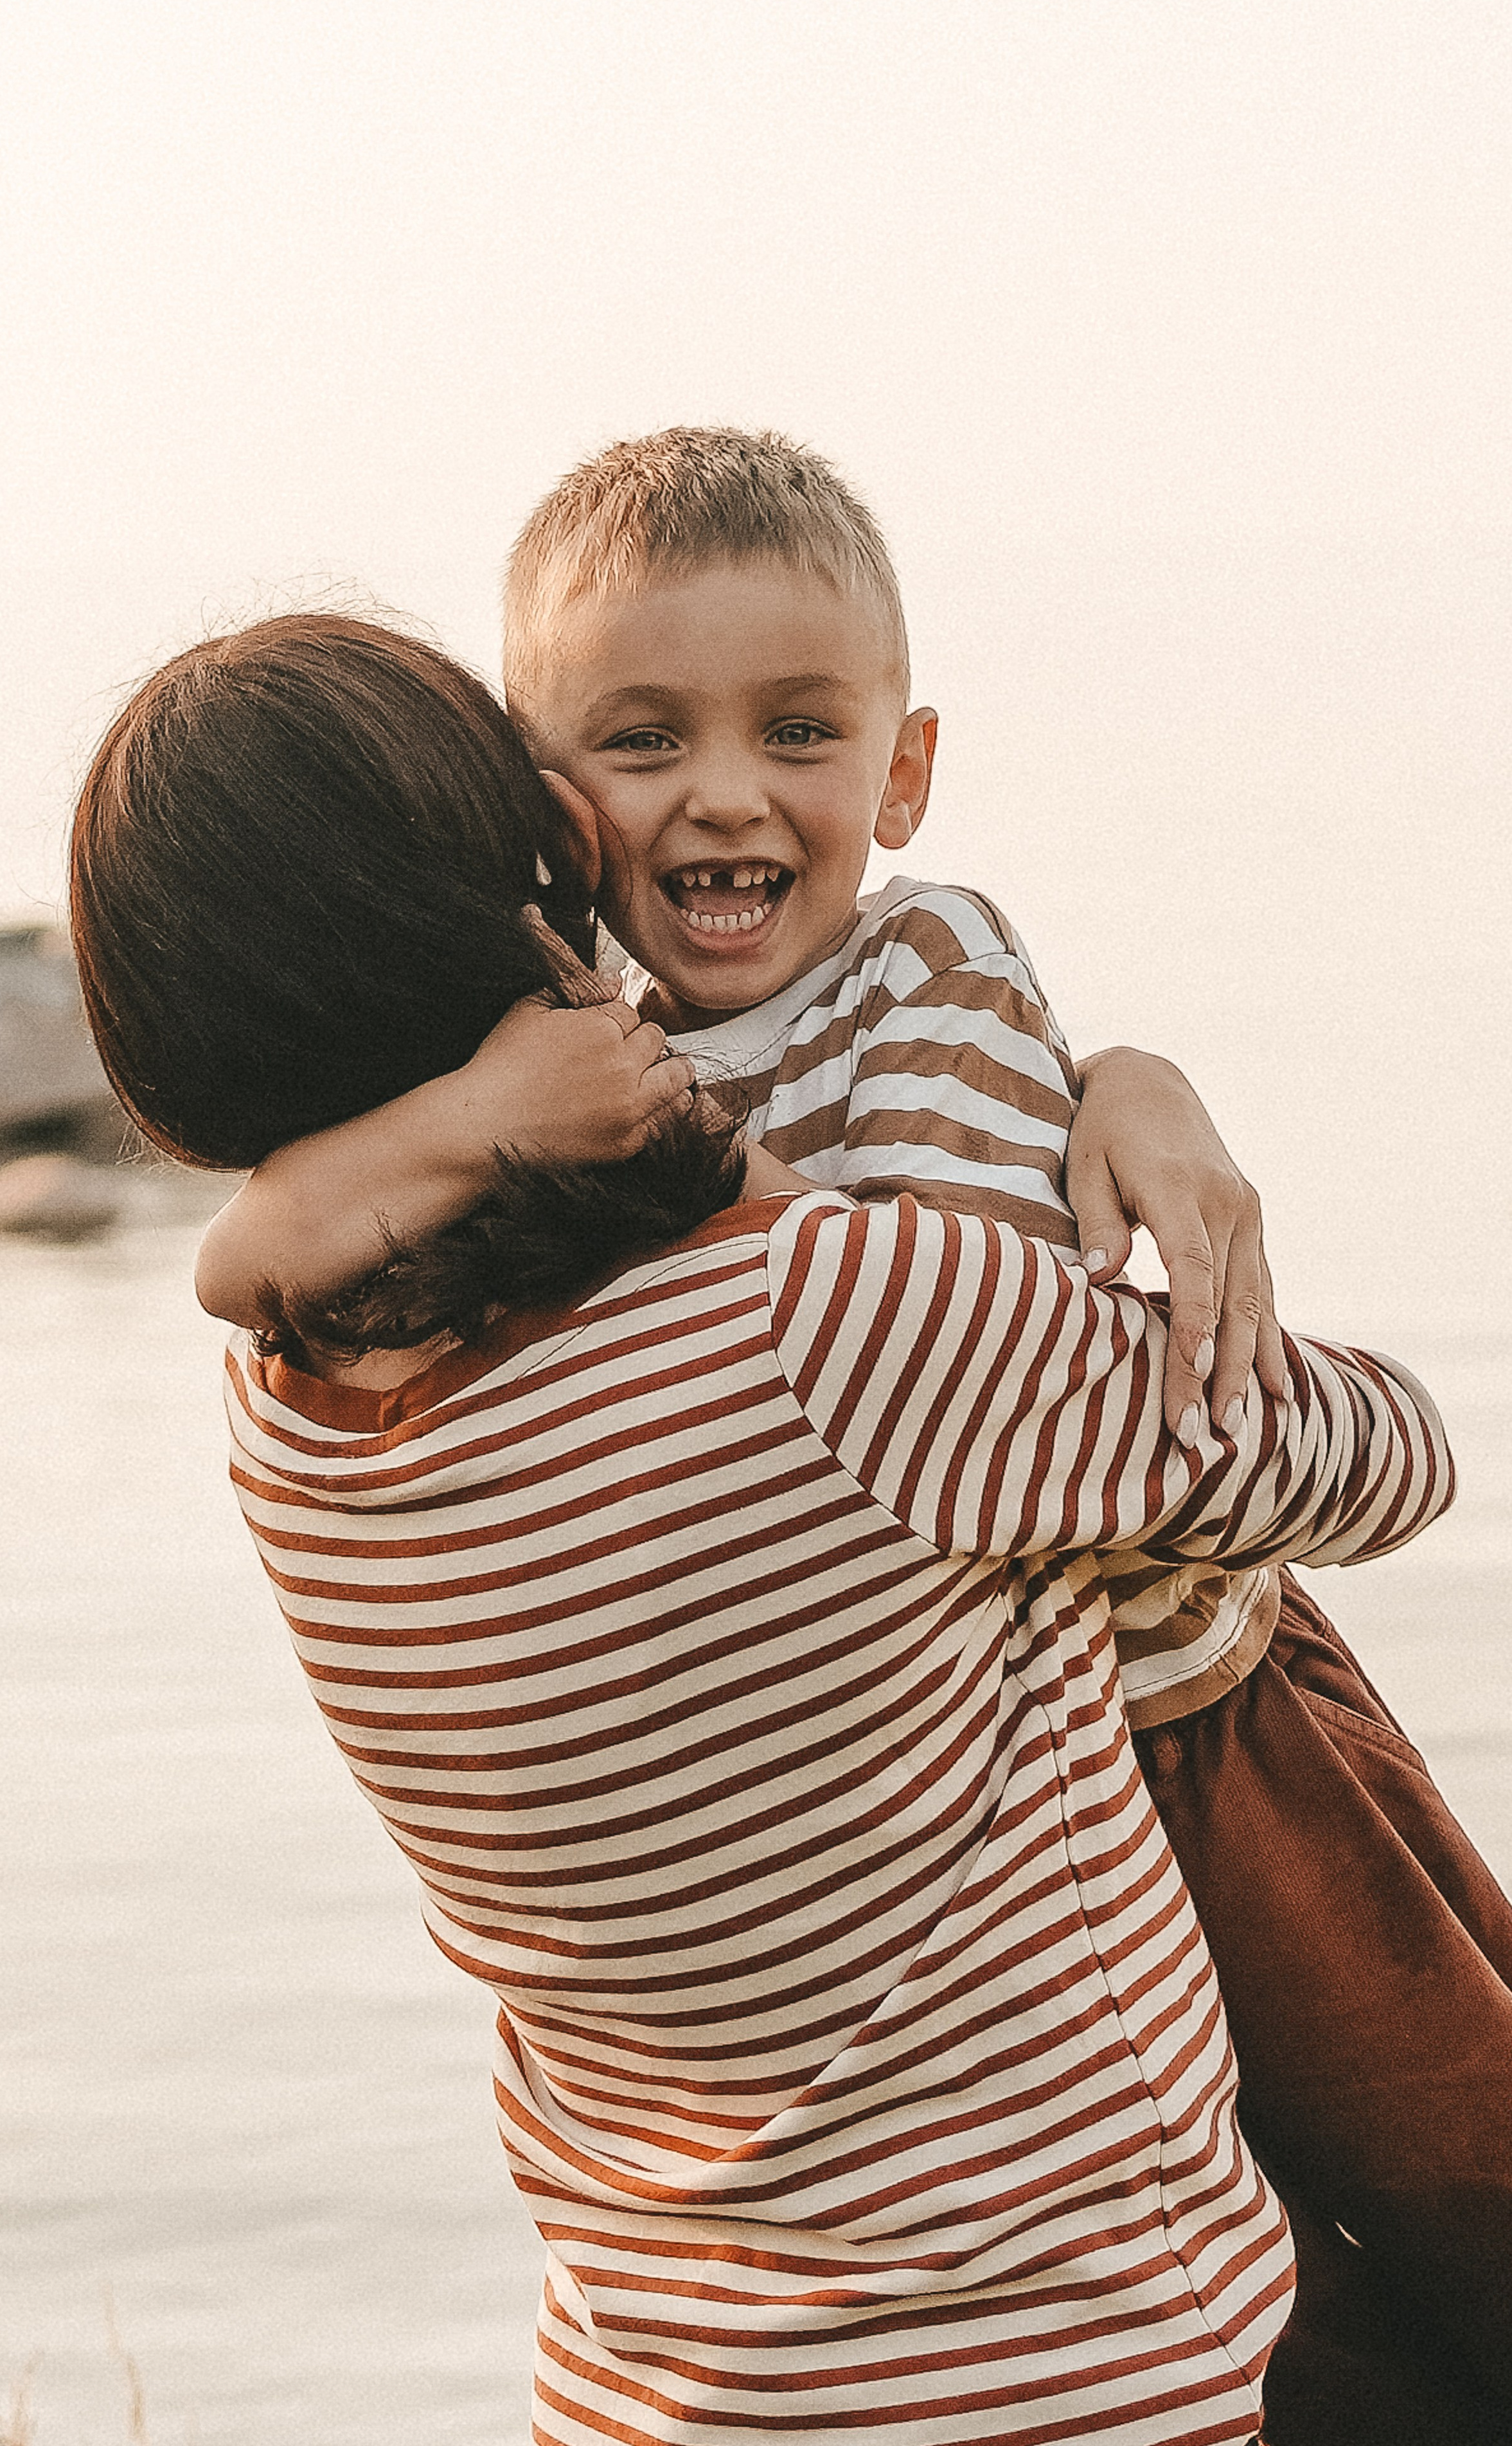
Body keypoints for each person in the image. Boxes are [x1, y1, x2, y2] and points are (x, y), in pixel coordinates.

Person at [193, 433, 1512, 2438]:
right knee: (1238, 2269)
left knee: (1453, 2183)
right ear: (546, 809)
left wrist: (1129, 1078)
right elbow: (244, 1249)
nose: (725, 789)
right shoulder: (561, 1060)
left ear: (899, 774)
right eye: (646, 738)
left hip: (1181, 1693)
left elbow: (1028, 1361)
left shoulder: (936, 969)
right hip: (956, 1792)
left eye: (797, 730)